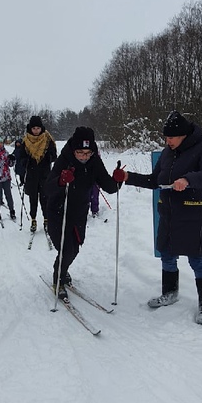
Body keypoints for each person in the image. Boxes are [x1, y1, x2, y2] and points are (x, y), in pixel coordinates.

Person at [113, 110, 202, 324]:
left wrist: (187, 180)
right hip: (169, 212)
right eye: (166, 137)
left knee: (197, 258)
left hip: (193, 212)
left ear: (183, 136)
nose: (167, 141)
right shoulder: (167, 152)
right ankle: (170, 292)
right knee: (167, 253)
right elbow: (155, 181)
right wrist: (128, 177)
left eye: (171, 137)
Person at [45, 126, 118, 298]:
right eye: (80, 152)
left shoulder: (94, 162)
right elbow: (48, 188)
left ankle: (64, 270)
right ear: (73, 149)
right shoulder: (64, 160)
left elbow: (109, 186)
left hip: (79, 212)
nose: (84, 157)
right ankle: (58, 280)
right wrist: (61, 180)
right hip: (58, 212)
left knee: (75, 249)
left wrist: (118, 179)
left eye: (88, 153)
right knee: (66, 250)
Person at [17, 116, 57, 233]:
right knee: (32, 199)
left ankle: (46, 219)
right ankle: (33, 220)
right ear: (30, 128)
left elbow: (54, 154)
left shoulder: (47, 139)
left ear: (41, 128)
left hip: (45, 174)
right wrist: (25, 162)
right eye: (34, 128)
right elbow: (21, 157)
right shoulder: (25, 141)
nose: (36, 130)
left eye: (38, 128)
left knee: (45, 198)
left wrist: (50, 157)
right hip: (31, 174)